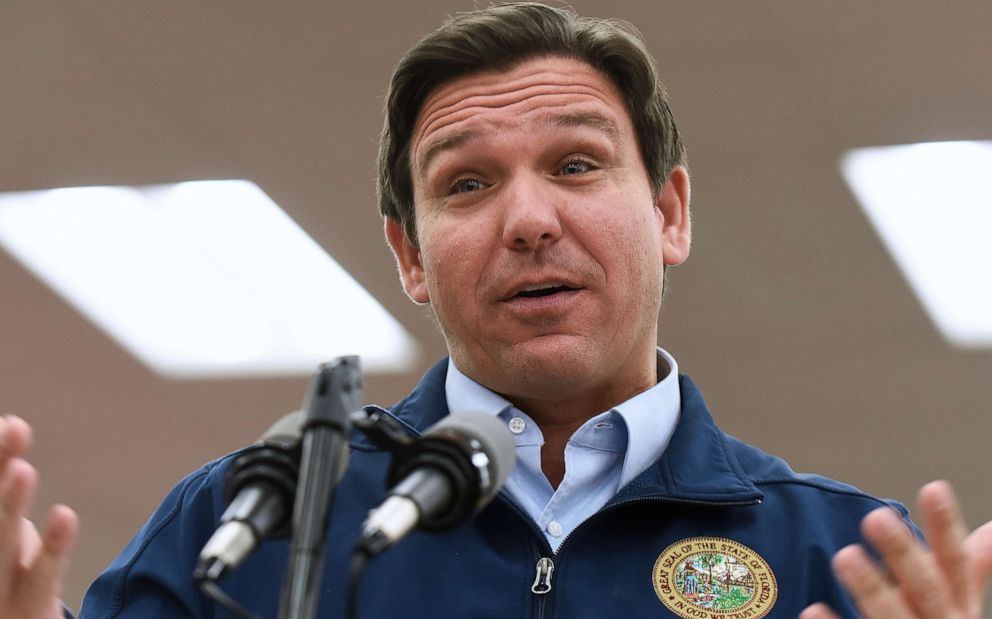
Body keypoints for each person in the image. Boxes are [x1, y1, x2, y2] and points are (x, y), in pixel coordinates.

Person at [2, 3, 991, 618]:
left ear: (668, 212)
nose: (528, 220)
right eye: (467, 184)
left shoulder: (852, 560)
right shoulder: (249, 522)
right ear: (410, 256)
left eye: (574, 164)